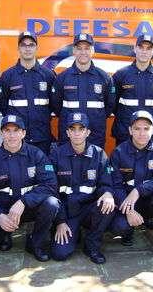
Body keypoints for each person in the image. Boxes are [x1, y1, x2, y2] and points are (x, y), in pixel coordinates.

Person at [0, 114, 60, 262]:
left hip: (28, 208)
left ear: (23, 133)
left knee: (52, 204)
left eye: (16, 130)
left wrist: (23, 202)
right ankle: (3, 234)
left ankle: (36, 242)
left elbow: (50, 185)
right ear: (1, 133)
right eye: (7, 130)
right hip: (3, 210)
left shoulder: (37, 155)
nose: (11, 135)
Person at [110, 110, 153, 265]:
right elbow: (115, 186)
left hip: (152, 202)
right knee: (119, 227)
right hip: (129, 204)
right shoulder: (119, 152)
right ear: (130, 130)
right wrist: (129, 211)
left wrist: (139, 189)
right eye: (137, 128)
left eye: (146, 128)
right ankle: (129, 230)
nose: (142, 133)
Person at [50, 112, 115, 264]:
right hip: (66, 212)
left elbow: (106, 183)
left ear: (88, 132)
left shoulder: (99, 154)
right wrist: (60, 221)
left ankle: (92, 244)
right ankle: (73, 232)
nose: (77, 133)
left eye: (81, 129)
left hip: (89, 210)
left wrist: (107, 194)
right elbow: (51, 190)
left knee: (109, 204)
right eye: (73, 129)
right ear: (67, 132)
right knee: (60, 254)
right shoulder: (56, 154)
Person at [52, 33, 115, 149]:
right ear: (74, 51)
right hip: (70, 137)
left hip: (95, 134)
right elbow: (56, 107)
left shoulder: (104, 78)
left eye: (87, 48)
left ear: (93, 51)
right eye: (79, 48)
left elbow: (109, 107)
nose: (83, 52)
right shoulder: (62, 78)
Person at [0, 31, 56, 154]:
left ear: (36, 48)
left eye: (31, 45)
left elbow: (54, 105)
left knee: (41, 171)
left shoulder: (48, 75)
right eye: (24, 45)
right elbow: (3, 107)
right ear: (19, 48)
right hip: (17, 139)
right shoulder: (8, 76)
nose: (27, 48)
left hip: (42, 137)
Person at [112, 34, 153, 145]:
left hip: (148, 134)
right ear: (135, 48)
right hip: (125, 133)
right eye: (141, 47)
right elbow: (112, 102)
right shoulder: (121, 75)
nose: (144, 51)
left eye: (148, 48)